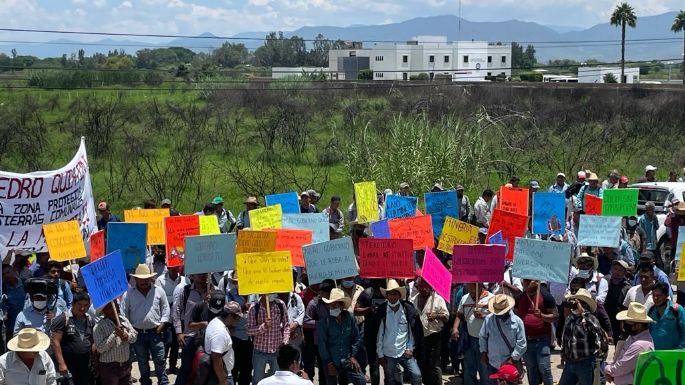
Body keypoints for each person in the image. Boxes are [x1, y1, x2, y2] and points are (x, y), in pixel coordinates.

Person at [121, 264, 170, 385]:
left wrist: (162, 324)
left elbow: (165, 309)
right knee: (142, 362)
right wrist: (130, 329)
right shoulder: (128, 294)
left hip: (155, 333)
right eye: (141, 279)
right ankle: (146, 382)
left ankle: (163, 382)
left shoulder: (159, 291)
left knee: (160, 360)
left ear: (150, 278)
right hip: (137, 334)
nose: (144, 281)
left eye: (146, 279)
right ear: (136, 279)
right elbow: (123, 313)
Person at [558, 289, 608, 385]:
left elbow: (599, 331)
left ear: (584, 305)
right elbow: (566, 337)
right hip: (570, 362)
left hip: (585, 363)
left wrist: (583, 312)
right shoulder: (570, 318)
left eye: (577, 302)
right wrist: (563, 353)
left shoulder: (590, 318)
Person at [376, 279, 422, 385]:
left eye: (395, 294)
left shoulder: (407, 309)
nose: (392, 297)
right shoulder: (382, 311)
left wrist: (410, 348)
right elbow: (379, 335)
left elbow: (411, 332)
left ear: (399, 295)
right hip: (388, 353)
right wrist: (380, 355)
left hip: (404, 352)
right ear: (386, 296)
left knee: (416, 375)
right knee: (391, 380)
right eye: (390, 294)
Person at [318, 288, 365, 385]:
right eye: (330, 305)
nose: (332, 307)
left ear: (342, 305)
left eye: (335, 304)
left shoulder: (350, 318)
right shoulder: (324, 322)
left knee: (361, 380)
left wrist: (352, 356)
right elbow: (322, 345)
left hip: (347, 360)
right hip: (331, 360)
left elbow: (356, 338)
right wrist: (329, 362)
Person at [516, 280, 557, 385]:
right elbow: (516, 315)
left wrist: (542, 316)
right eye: (524, 281)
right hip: (526, 340)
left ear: (537, 282)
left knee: (544, 368)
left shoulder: (546, 296)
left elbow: (555, 316)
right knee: (531, 369)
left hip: (542, 339)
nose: (526, 283)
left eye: (529, 281)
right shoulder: (520, 297)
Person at [479, 294, 526, 385]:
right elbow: (483, 336)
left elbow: (522, 343)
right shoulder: (489, 319)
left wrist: (512, 359)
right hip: (492, 362)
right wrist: (483, 352)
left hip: (510, 365)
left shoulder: (517, 322)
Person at [50, 291, 95, 385]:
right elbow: (55, 342)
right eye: (79, 304)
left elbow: (92, 340)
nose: (82, 308)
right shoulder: (63, 319)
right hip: (68, 365)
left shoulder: (90, 319)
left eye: (86, 305)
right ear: (73, 303)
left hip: (85, 365)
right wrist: (61, 364)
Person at [173, 273, 210, 385]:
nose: (201, 276)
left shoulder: (214, 291)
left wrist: (211, 300)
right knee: (186, 367)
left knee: (206, 367)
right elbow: (176, 311)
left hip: (208, 336)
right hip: (189, 336)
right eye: (199, 274)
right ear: (192, 276)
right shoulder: (184, 291)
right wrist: (179, 332)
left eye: (204, 274)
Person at [605, 302, 655, 385]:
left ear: (638, 325)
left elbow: (620, 368)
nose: (624, 326)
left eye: (627, 323)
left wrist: (606, 368)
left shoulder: (640, 345)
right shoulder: (633, 337)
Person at [453, 282, 493, 385]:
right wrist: (455, 328)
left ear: (479, 286)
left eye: (472, 287)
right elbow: (459, 314)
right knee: (469, 367)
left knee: (484, 368)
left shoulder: (491, 298)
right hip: (469, 338)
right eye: (468, 287)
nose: (470, 290)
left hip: (485, 340)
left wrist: (483, 316)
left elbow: (497, 318)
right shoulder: (465, 298)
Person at [411, 277, 448, 385]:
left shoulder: (438, 299)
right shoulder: (414, 299)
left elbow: (446, 317)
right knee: (423, 363)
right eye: (420, 287)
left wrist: (436, 315)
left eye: (425, 286)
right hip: (420, 336)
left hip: (434, 335)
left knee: (433, 365)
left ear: (430, 286)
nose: (423, 289)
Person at [247, 294, 290, 384]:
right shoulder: (254, 308)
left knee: (277, 380)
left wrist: (285, 341)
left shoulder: (280, 305)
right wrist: (264, 326)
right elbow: (249, 330)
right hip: (260, 351)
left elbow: (286, 325)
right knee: (258, 380)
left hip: (276, 350)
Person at [94, 301, 138, 385]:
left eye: (117, 305)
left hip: (125, 364)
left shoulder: (124, 320)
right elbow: (100, 348)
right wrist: (114, 334)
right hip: (109, 367)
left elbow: (134, 336)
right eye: (112, 306)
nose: (117, 307)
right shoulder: (99, 326)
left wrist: (126, 336)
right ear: (105, 310)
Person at [155, 257, 185, 374]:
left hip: (178, 317)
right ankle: (162, 366)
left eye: (176, 267)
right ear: (167, 267)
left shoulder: (184, 280)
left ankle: (173, 366)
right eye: (171, 267)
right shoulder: (160, 280)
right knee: (166, 343)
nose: (173, 269)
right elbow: (159, 299)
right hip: (166, 318)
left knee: (176, 344)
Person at [354, 279, 386, 385]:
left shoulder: (389, 292)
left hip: (387, 333)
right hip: (371, 333)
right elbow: (356, 310)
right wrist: (368, 309)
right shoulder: (366, 293)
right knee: (374, 364)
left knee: (389, 364)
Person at [204, 301, 243, 385]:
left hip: (219, 373)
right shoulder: (220, 332)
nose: (238, 321)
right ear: (229, 316)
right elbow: (216, 357)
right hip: (221, 376)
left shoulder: (216, 320)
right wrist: (222, 380)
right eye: (237, 318)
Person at [647, 281, 685, 350]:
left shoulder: (677, 310)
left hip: (674, 354)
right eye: (653, 295)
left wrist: (680, 349)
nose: (655, 298)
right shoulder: (651, 311)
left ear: (666, 295)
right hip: (655, 354)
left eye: (659, 295)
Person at [604, 260, 632, 343]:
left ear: (624, 273)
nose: (616, 272)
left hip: (618, 320)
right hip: (604, 317)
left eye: (620, 270)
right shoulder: (605, 280)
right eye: (615, 269)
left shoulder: (627, 287)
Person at [1, 264, 26, 339]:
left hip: (27, 324)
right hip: (12, 327)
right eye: (3, 274)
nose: (6, 275)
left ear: (13, 271)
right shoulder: (3, 289)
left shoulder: (25, 283)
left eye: (8, 272)